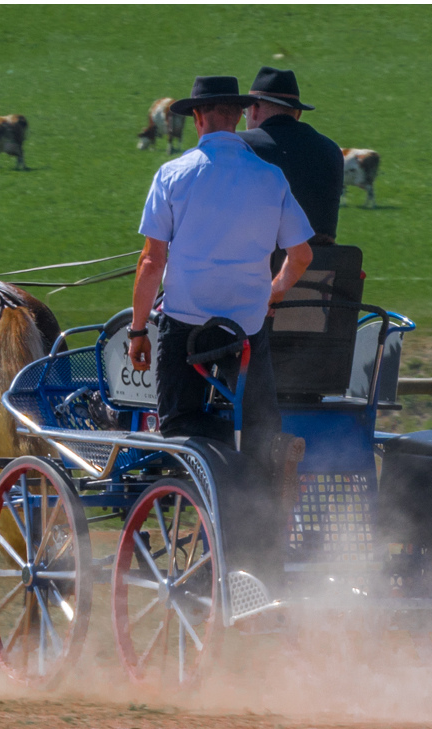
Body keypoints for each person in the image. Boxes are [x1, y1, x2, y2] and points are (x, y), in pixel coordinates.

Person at [128, 75, 314, 469]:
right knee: (263, 423)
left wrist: (138, 330)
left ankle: (220, 460)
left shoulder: (172, 175)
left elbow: (151, 262)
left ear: (197, 118)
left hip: (185, 321)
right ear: (239, 116)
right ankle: (265, 456)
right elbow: (301, 256)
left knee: (178, 421)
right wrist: (272, 292)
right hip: (246, 324)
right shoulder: (271, 177)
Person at [237, 67, 346, 243]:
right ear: (298, 113)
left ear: (254, 109)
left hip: (264, 263)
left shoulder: (241, 145)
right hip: (325, 264)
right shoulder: (331, 149)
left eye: (245, 112)